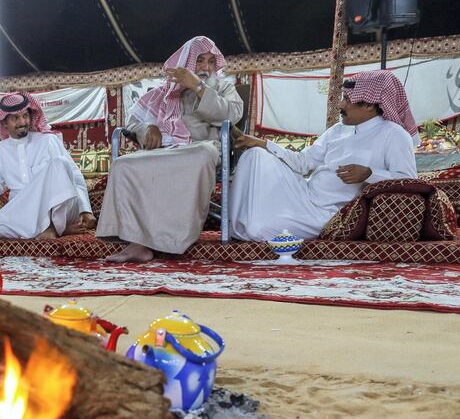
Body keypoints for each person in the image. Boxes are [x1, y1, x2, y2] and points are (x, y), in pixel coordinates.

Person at [96, 36, 244, 262]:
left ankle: (171, 239)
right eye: (200, 61)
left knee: (201, 155)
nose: (205, 67)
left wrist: (198, 86)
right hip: (165, 150)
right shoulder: (162, 92)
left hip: (200, 148)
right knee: (123, 164)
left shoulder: (222, 87)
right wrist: (148, 127)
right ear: (187, 62)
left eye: (210, 62)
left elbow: (232, 115)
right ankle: (136, 243)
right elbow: (133, 122)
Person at [229, 69, 419, 241]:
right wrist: (261, 143)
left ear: (369, 104)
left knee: (257, 229)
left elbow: (409, 181)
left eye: (347, 99)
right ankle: (233, 225)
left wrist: (370, 174)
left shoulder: (394, 134)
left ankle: (250, 225)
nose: (341, 104)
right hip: (303, 193)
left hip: (328, 214)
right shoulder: (338, 130)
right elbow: (303, 163)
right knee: (254, 156)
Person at [0, 92, 95, 239]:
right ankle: (59, 230)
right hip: (26, 207)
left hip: (59, 207)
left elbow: (75, 175)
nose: (22, 122)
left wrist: (86, 210)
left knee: (60, 163)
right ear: (4, 124)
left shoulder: (48, 141)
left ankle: (52, 227)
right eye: (15, 118)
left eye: (25, 116)